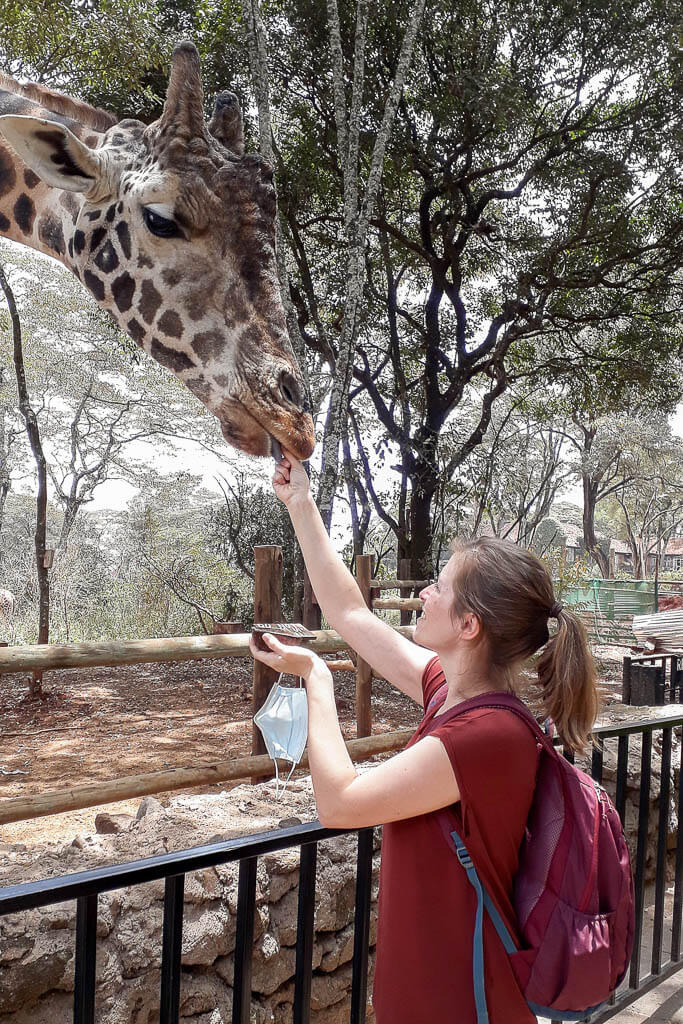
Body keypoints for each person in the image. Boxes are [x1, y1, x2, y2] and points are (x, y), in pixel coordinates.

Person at [249, 449, 600, 1024]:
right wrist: (301, 503)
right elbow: (351, 613)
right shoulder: (450, 691)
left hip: (462, 1000)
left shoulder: (488, 735)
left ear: (469, 626)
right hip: (432, 988)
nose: (423, 595)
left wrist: (316, 679)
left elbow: (340, 802)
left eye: (438, 587)